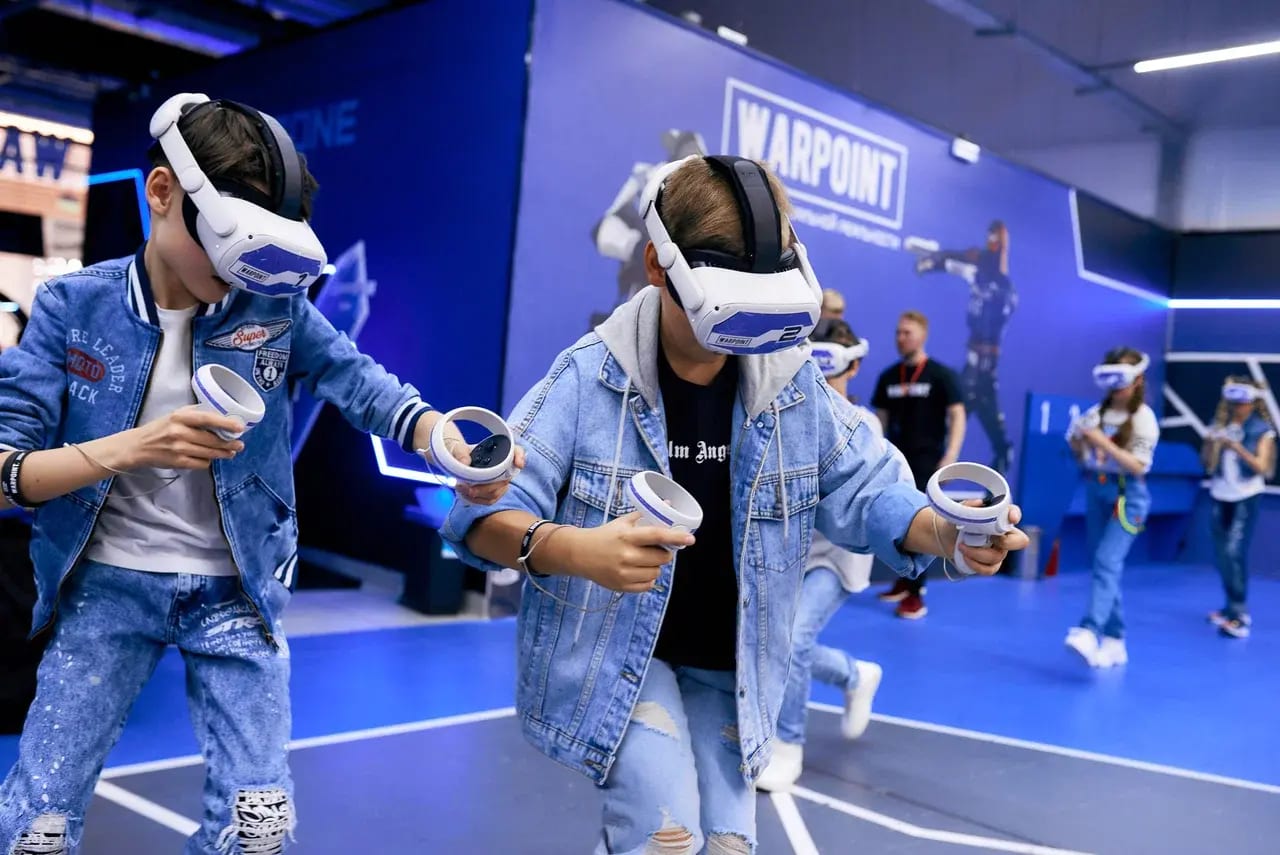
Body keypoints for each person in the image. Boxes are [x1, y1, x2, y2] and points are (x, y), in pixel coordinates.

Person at [443, 154, 1027, 854]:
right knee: (666, 837)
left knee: (727, 845)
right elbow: (481, 519)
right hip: (618, 659)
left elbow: (872, 491)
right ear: (658, 267)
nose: (744, 330)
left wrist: (953, 536)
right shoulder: (587, 376)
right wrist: (574, 550)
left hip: (734, 664)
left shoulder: (794, 385)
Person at [0, 93, 519, 855]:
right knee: (37, 825)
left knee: (258, 829)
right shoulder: (73, 306)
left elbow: (356, 379)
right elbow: (8, 469)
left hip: (235, 592)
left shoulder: (272, 307)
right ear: (163, 193)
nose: (239, 269)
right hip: (105, 588)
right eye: (227, 242)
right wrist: (133, 447)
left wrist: (439, 434)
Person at [756, 318, 885, 793]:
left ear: (853, 367)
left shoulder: (864, 425)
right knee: (774, 641)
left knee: (791, 640)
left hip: (838, 555)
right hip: (790, 549)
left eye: (833, 365)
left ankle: (787, 744)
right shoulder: (786, 413)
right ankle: (855, 675)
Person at [1064, 347, 1159, 668]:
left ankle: (1090, 630)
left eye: (1122, 378)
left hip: (1128, 495)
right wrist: (1079, 441)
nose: (1115, 386)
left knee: (1107, 561)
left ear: (1137, 379)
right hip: (1097, 489)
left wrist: (1101, 440)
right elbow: (1083, 458)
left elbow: (1139, 466)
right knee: (1103, 565)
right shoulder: (1095, 413)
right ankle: (1115, 641)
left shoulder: (1143, 417)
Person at [872, 310, 965, 619]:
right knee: (895, 520)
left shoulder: (940, 375)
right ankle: (903, 580)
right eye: (898, 333)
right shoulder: (888, 376)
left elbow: (958, 415)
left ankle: (916, 594)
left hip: (928, 461)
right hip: (895, 460)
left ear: (923, 335)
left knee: (921, 520)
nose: (901, 338)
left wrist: (951, 456)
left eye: (907, 333)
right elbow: (880, 420)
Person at [911, 220, 1017, 475]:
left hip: (986, 371)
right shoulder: (977, 267)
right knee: (953, 416)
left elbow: (965, 266)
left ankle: (995, 472)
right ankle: (936, 468)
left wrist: (939, 262)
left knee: (993, 431)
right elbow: (956, 261)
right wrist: (933, 261)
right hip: (972, 368)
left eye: (999, 243)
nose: (994, 249)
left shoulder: (1005, 290)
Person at [590, 129, 708, 327]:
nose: (689, 155)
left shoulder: (708, 198)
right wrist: (635, 246)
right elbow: (604, 230)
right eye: (685, 149)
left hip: (691, 310)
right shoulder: (648, 182)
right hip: (641, 298)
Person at [1201, 377, 1275, 639]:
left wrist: (1237, 447)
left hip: (1246, 496)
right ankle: (1229, 607)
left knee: (1234, 551)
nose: (1238, 407)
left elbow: (1262, 467)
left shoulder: (1262, 429)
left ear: (1253, 402)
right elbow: (1207, 463)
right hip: (1219, 493)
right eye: (1234, 401)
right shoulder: (1219, 424)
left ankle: (1240, 615)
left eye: (1243, 402)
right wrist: (1210, 442)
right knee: (1221, 554)